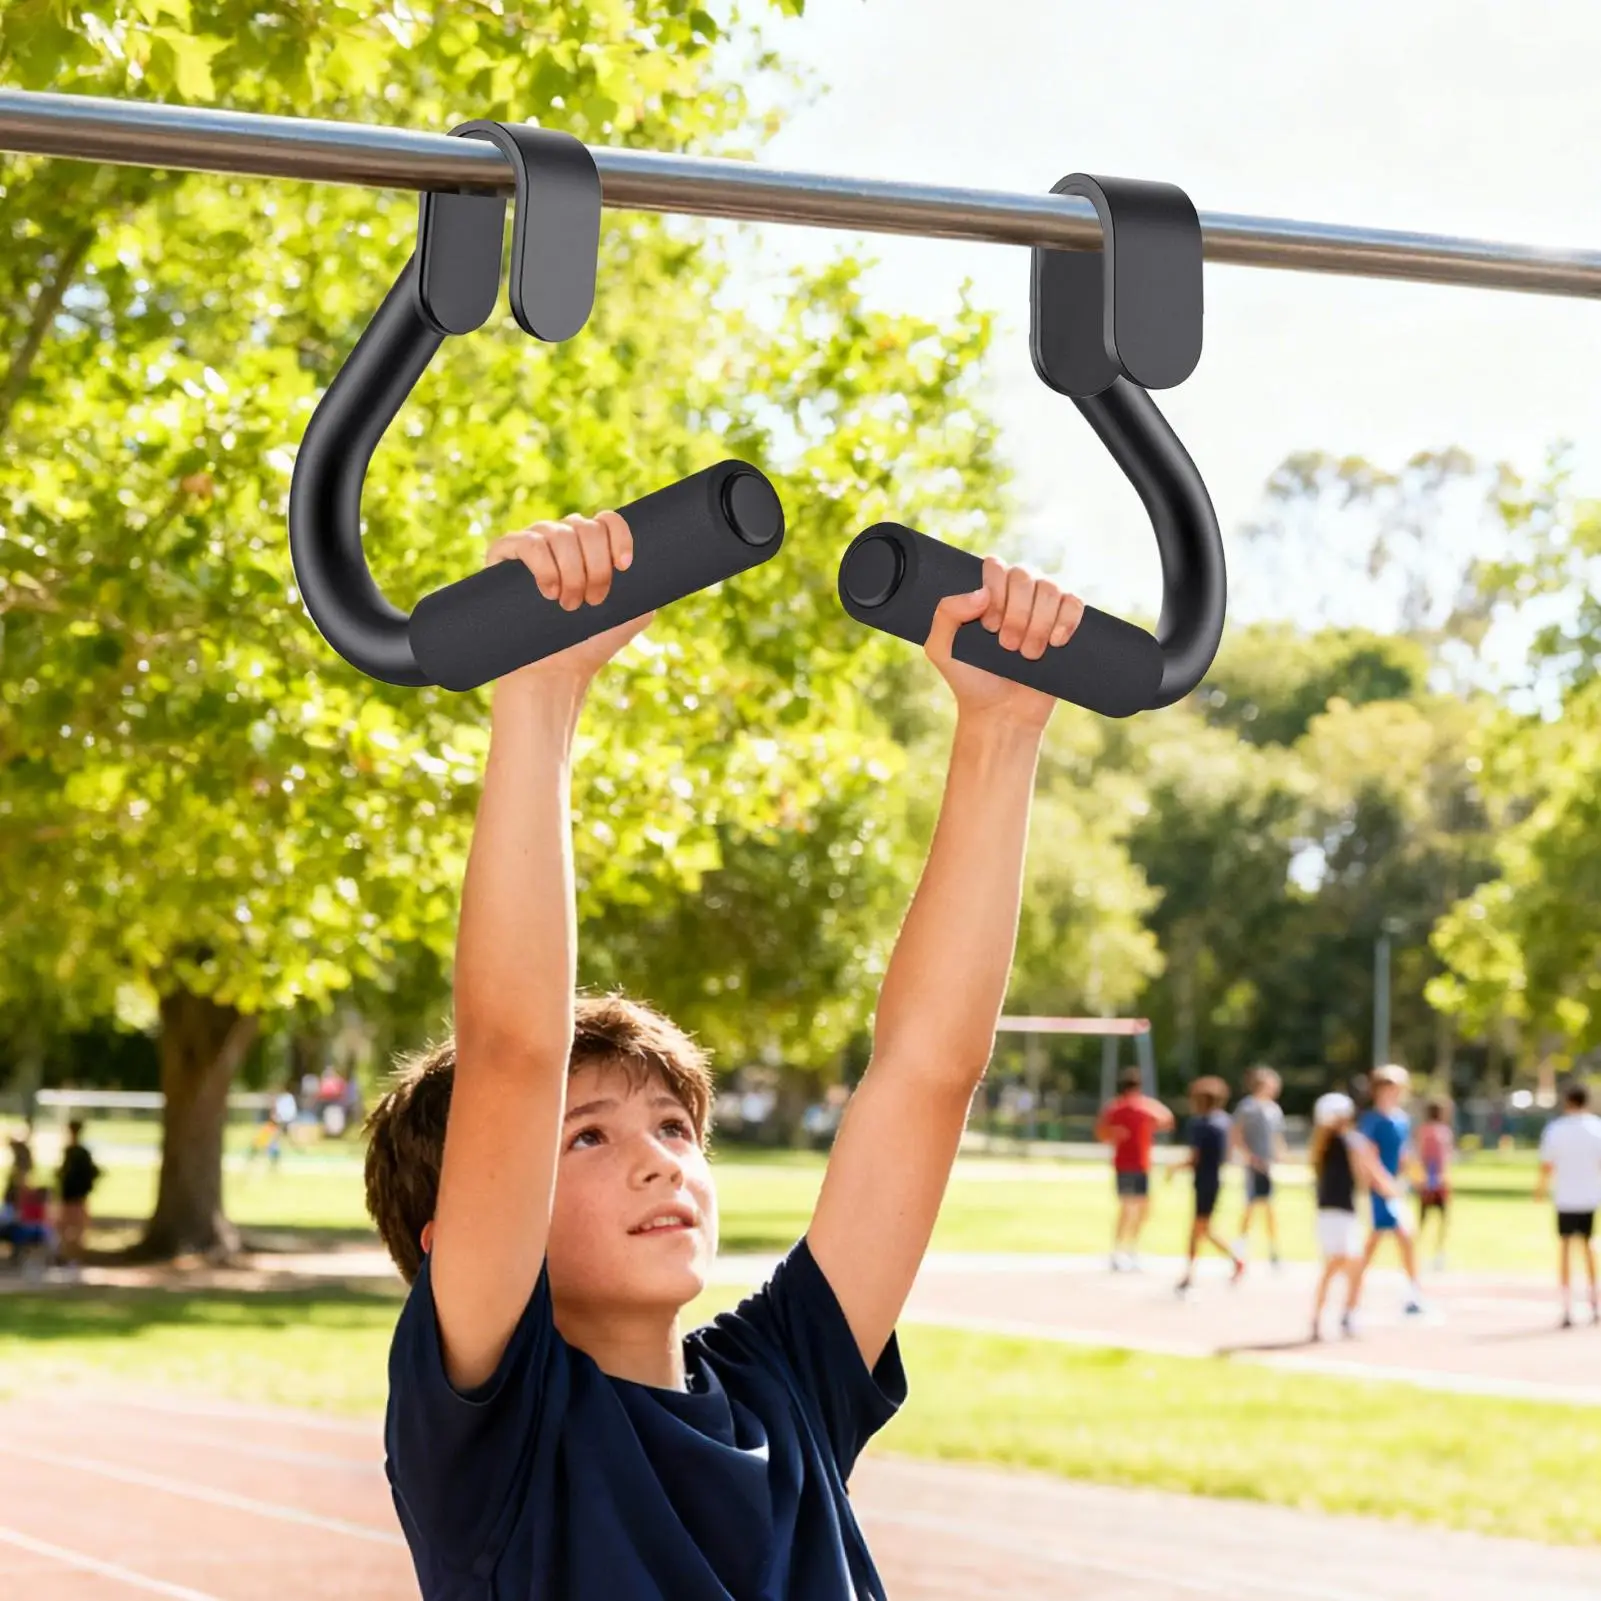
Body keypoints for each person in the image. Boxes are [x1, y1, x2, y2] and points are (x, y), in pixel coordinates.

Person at [364, 508, 1085, 1601]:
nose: (661, 1159)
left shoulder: (784, 1380)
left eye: (672, 1126)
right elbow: (513, 1051)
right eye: (587, 1137)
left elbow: (927, 1072)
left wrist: (1003, 728)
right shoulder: (491, 1440)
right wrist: (540, 694)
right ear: (451, 1237)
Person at [1308, 1092, 1398, 1340]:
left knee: (1349, 1265)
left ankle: (1344, 1314)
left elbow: (1366, 1169)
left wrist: (1385, 1186)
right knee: (1340, 1262)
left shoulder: (1343, 1141)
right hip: (1334, 1212)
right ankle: (1326, 1316)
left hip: (1341, 1212)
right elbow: (1368, 1168)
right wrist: (1388, 1187)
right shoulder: (1332, 1142)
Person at [1352, 1064, 1425, 1318]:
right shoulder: (1372, 1120)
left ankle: (1412, 1294)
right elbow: (1368, 1156)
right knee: (1390, 1239)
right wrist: (1383, 1184)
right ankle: (1353, 1298)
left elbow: (1403, 1154)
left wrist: (1410, 1177)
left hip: (1395, 1189)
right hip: (1381, 1191)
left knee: (1402, 1239)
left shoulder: (1401, 1119)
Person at [1095, 1065, 1175, 1271]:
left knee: (1133, 1208)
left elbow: (1101, 1134)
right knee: (1133, 1209)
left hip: (1130, 1165)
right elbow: (1167, 1118)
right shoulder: (1140, 1107)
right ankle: (1123, 1250)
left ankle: (1125, 1250)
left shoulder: (1117, 1108)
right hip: (1134, 1165)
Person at [1536, 1082, 1601, 1328]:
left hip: (1565, 1198)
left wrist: (1540, 1190)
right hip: (1589, 1197)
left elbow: (1547, 1165)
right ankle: (1594, 1302)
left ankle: (1567, 1306)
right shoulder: (1596, 1128)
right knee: (1589, 1246)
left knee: (1565, 1248)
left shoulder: (1556, 1129)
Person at [1172, 1076, 1245, 1294]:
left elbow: (1194, 1157)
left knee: (1200, 1228)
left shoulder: (1200, 1124)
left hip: (1203, 1181)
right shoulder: (1225, 1122)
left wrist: (1174, 1168)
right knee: (1200, 1228)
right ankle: (1193, 1272)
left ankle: (1231, 1260)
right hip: (1215, 1179)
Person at [1230, 1065, 1286, 1268]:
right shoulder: (1247, 1107)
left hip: (1268, 1165)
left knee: (1270, 1207)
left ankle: (1274, 1250)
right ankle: (1240, 1247)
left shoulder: (1274, 1109)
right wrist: (1250, 1157)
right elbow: (1236, 1134)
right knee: (1250, 1206)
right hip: (1254, 1165)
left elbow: (1277, 1137)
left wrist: (1281, 1155)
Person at [55, 1118, 101, 1275]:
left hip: (74, 1196)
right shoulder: (75, 1151)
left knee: (72, 1228)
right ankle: (69, 1257)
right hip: (73, 1196)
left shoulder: (77, 1152)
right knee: (71, 1228)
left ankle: (72, 1257)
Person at [1415, 1098, 1455, 1272]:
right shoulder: (1441, 1132)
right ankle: (1436, 1253)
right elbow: (1442, 1158)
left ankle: (1424, 1253)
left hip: (1428, 1180)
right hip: (1435, 1181)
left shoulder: (1423, 1131)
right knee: (1441, 1219)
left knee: (1425, 1219)